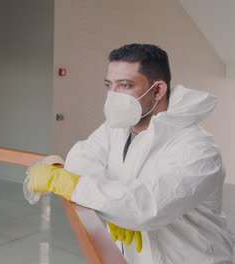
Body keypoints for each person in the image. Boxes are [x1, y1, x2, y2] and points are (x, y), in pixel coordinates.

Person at [27, 44, 235, 263]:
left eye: (125, 85)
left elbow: (147, 207)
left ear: (157, 90)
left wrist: (77, 187)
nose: (113, 96)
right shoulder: (116, 128)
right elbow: (82, 158)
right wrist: (113, 207)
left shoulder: (196, 148)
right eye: (109, 85)